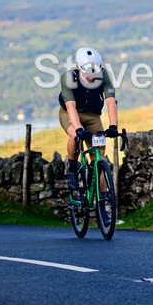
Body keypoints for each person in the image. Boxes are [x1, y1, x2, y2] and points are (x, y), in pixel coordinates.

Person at [58, 46, 118, 226]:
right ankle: (72, 167)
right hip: (71, 114)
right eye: (87, 74)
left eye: (94, 73)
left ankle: (102, 206)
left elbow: (110, 101)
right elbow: (70, 106)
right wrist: (78, 130)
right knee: (74, 137)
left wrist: (113, 126)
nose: (91, 77)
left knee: (100, 157)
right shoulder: (68, 77)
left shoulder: (104, 74)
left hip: (92, 116)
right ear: (78, 68)